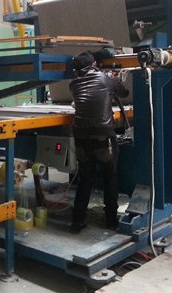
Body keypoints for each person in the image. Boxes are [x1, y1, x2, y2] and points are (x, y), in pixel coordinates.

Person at [69, 51, 129, 233]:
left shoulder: (73, 84)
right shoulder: (106, 79)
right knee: (110, 177)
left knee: (85, 179)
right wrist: (116, 78)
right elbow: (124, 93)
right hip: (104, 138)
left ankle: (78, 221)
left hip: (81, 138)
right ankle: (110, 220)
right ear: (94, 64)